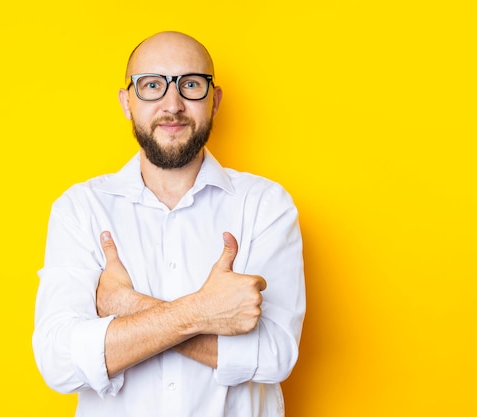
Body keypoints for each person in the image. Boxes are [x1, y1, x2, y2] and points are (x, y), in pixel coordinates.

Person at [33, 31, 306, 417]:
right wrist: (202, 313)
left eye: (191, 84)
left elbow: (275, 355)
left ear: (215, 99)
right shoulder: (81, 209)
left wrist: (127, 307)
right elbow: (60, 361)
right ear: (127, 102)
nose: (172, 105)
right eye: (152, 85)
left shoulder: (264, 205)